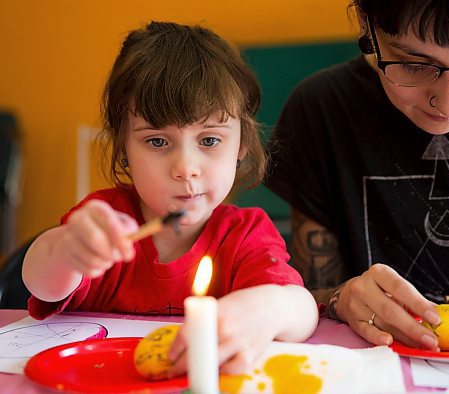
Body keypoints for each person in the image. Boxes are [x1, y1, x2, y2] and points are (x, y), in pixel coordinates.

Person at [22, 21, 318, 375]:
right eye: (157, 141)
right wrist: (67, 250)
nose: (186, 168)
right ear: (124, 149)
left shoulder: (246, 235)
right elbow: (42, 280)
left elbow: (302, 309)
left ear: (241, 146)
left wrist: (268, 308)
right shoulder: (104, 223)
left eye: (209, 140)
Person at [265, 0, 449, 351]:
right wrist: (341, 298)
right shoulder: (323, 109)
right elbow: (315, 288)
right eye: (414, 64)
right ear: (366, 25)